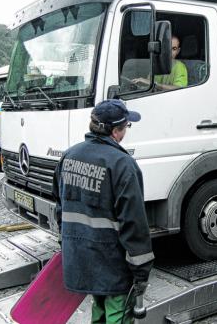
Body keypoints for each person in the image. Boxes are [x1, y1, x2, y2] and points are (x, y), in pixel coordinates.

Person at [52, 99, 154, 324]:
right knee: (117, 315)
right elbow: (134, 224)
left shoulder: (68, 157)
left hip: (82, 258)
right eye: (126, 126)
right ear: (117, 131)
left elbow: (60, 209)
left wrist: (67, 246)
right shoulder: (122, 164)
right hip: (112, 264)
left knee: (98, 311)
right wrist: (141, 273)